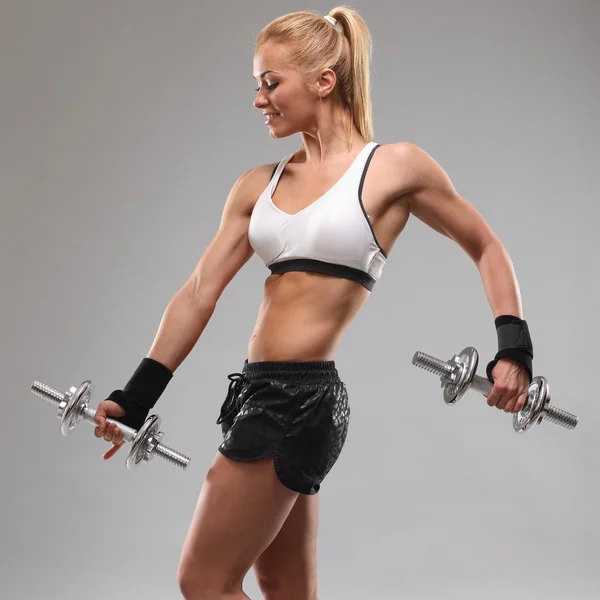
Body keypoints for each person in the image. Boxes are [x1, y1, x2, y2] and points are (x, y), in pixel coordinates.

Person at [93, 7, 534, 600]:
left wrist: (514, 351)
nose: (258, 99)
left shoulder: (392, 167)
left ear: (324, 80)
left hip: (297, 400)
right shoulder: (258, 186)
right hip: (257, 391)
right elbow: (199, 293)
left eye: (270, 83)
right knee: (284, 589)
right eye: (257, 85)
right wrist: (134, 397)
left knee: (203, 581)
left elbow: (486, 246)